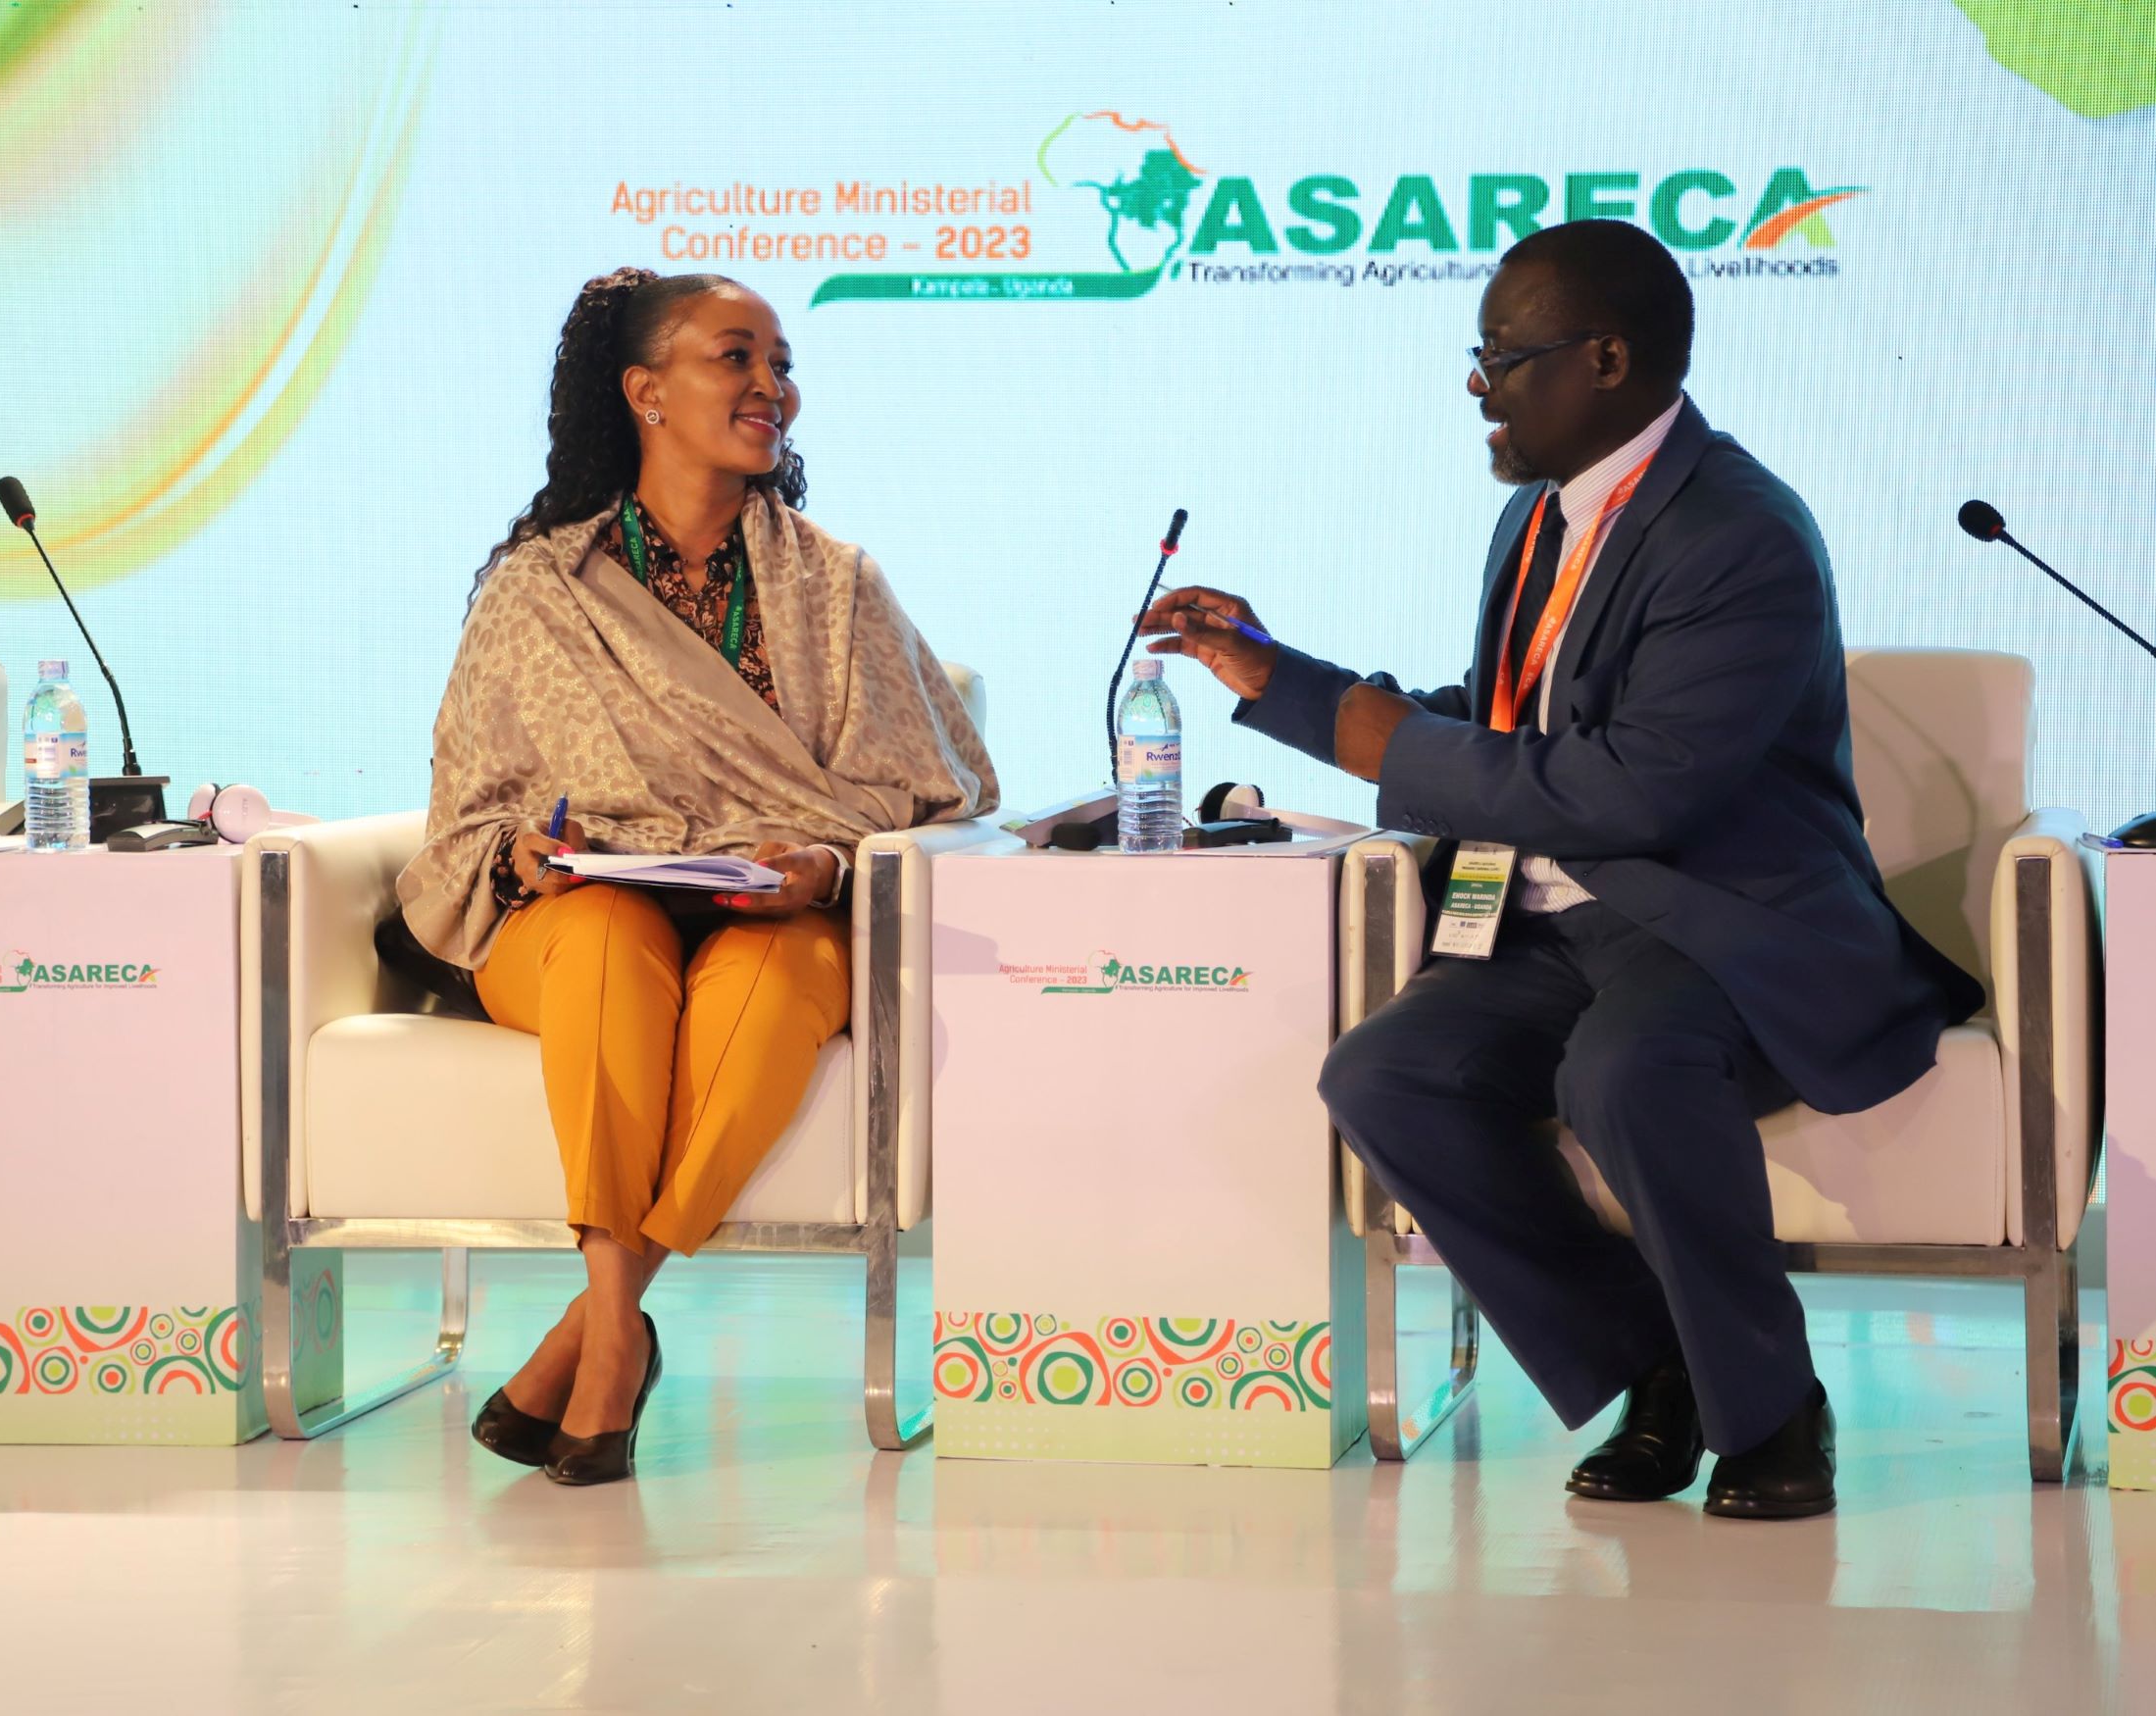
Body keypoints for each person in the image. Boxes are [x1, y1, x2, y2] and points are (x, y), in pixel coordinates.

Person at [1143, 220, 1981, 1520]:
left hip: (1712, 920)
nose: (1476, 386)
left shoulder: (1740, 532)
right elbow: (1501, 715)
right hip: (1540, 919)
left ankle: (1769, 1407)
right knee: (1384, 1075)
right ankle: (1657, 1368)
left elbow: (1636, 788)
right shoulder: (1539, 516)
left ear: (1603, 359)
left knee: (1626, 1069)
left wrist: (1372, 740)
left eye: (1502, 357)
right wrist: (1278, 673)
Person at [395, 268, 997, 1487]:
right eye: (738, 358)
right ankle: (618, 1341)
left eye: (782, 365)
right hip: (575, 918)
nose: (772, 387)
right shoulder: (540, 590)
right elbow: (466, 815)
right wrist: (527, 851)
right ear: (646, 391)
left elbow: (941, 790)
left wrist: (822, 860)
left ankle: (597, 1325)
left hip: (777, 914)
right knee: (614, 937)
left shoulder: (838, 585)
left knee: (763, 996)